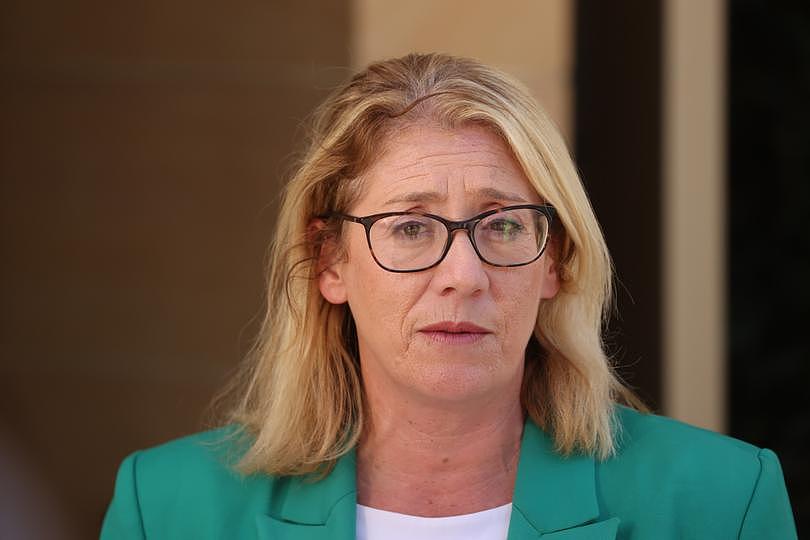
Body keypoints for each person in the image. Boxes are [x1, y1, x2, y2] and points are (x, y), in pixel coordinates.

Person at [100, 53, 797, 539]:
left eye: (501, 225)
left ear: (552, 260)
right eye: (409, 226)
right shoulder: (166, 508)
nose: (463, 274)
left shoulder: (720, 501)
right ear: (329, 261)